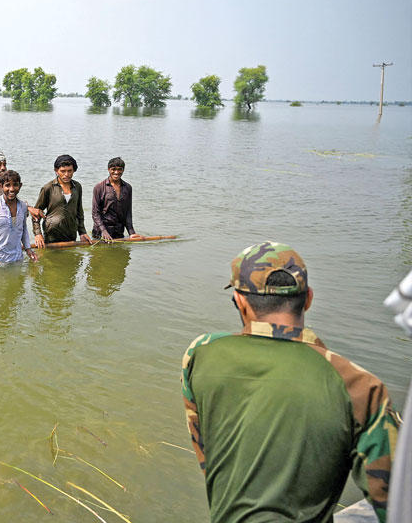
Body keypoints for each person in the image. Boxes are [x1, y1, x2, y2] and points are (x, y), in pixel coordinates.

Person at [181, 241, 400, 523]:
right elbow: (396, 502)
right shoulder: (360, 386)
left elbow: (209, 461)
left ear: (240, 302)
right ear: (308, 299)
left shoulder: (199, 355)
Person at [32, 154, 91, 248]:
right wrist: (38, 234)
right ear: (56, 171)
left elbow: (79, 211)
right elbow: (36, 212)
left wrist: (82, 232)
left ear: (74, 170)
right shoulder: (48, 188)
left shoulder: (77, 187)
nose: (66, 174)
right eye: (63, 171)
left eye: (69, 171)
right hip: (51, 234)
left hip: (71, 233)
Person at [91, 157, 146, 241]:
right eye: (113, 169)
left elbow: (128, 212)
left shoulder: (128, 188)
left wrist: (132, 233)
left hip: (119, 232)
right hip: (100, 233)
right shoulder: (99, 187)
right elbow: (95, 213)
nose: (116, 172)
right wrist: (103, 231)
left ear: (123, 170)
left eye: (119, 169)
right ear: (109, 169)